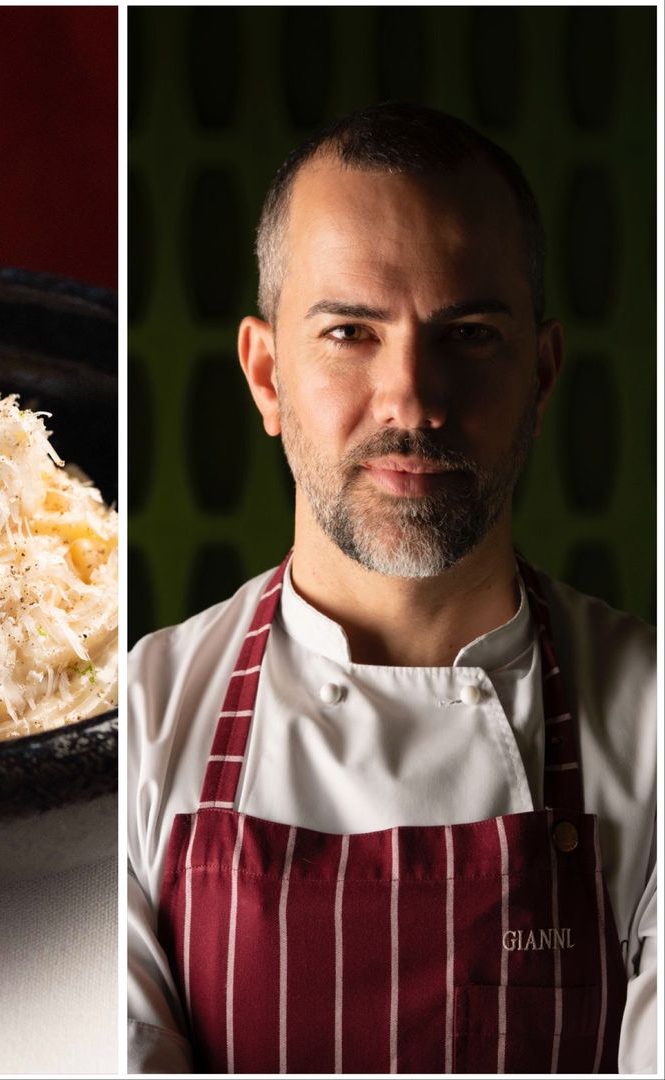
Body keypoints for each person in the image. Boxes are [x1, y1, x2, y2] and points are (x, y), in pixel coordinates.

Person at [127, 103, 656, 1074]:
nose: (412, 396)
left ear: (542, 377)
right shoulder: (139, 724)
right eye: (350, 332)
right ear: (266, 374)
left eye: (470, 334)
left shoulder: (654, 719)